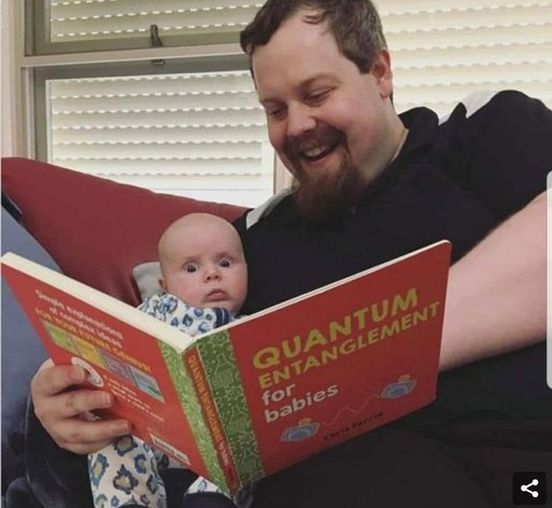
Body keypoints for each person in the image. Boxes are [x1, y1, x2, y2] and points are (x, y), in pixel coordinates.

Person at [29, 1, 551, 506]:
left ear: (379, 72)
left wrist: (370, 354)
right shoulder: (250, 243)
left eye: (317, 94)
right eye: (275, 110)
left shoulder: (482, 133)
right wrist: (65, 408)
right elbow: (169, 364)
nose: (296, 126)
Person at [88, 213, 248, 508]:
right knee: (113, 437)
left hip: (214, 440)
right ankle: (129, 500)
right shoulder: (153, 312)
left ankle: (209, 500)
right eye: (191, 268)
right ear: (165, 284)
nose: (212, 274)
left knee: (245, 441)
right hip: (151, 427)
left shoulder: (251, 327)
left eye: (226, 263)